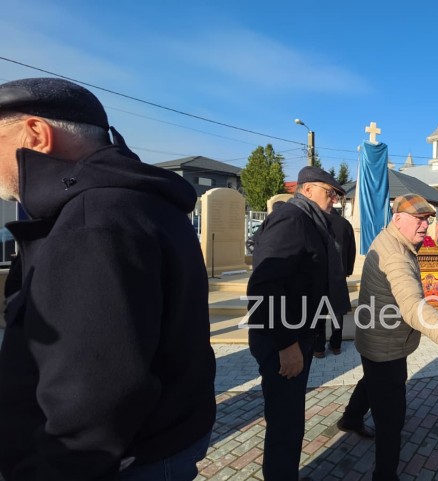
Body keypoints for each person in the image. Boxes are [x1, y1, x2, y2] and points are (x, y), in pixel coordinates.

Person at [0, 78, 215, 480]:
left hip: (125, 460)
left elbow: (90, 395)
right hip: (165, 438)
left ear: (35, 134)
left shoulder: (92, 221)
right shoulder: (142, 201)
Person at [338, 193, 438, 481]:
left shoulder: (391, 239)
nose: (425, 225)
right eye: (418, 219)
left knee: (371, 380)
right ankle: (385, 475)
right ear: (397, 219)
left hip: (378, 338)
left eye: (427, 220)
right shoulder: (396, 254)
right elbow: (414, 309)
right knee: (391, 418)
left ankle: (350, 418)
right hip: (385, 343)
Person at [246, 166, 348, 480]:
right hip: (283, 340)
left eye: (336, 195)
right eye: (329, 193)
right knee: (286, 422)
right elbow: (265, 286)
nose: (334, 200)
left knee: (289, 419)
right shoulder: (292, 219)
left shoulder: (311, 221)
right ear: (306, 190)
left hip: (298, 333)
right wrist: (287, 345)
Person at [314, 208, 356, 358]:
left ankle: (318, 348)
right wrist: (348, 270)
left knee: (318, 312)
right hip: (339, 274)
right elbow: (352, 249)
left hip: (319, 275)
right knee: (337, 312)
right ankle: (336, 345)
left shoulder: (316, 222)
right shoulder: (345, 224)